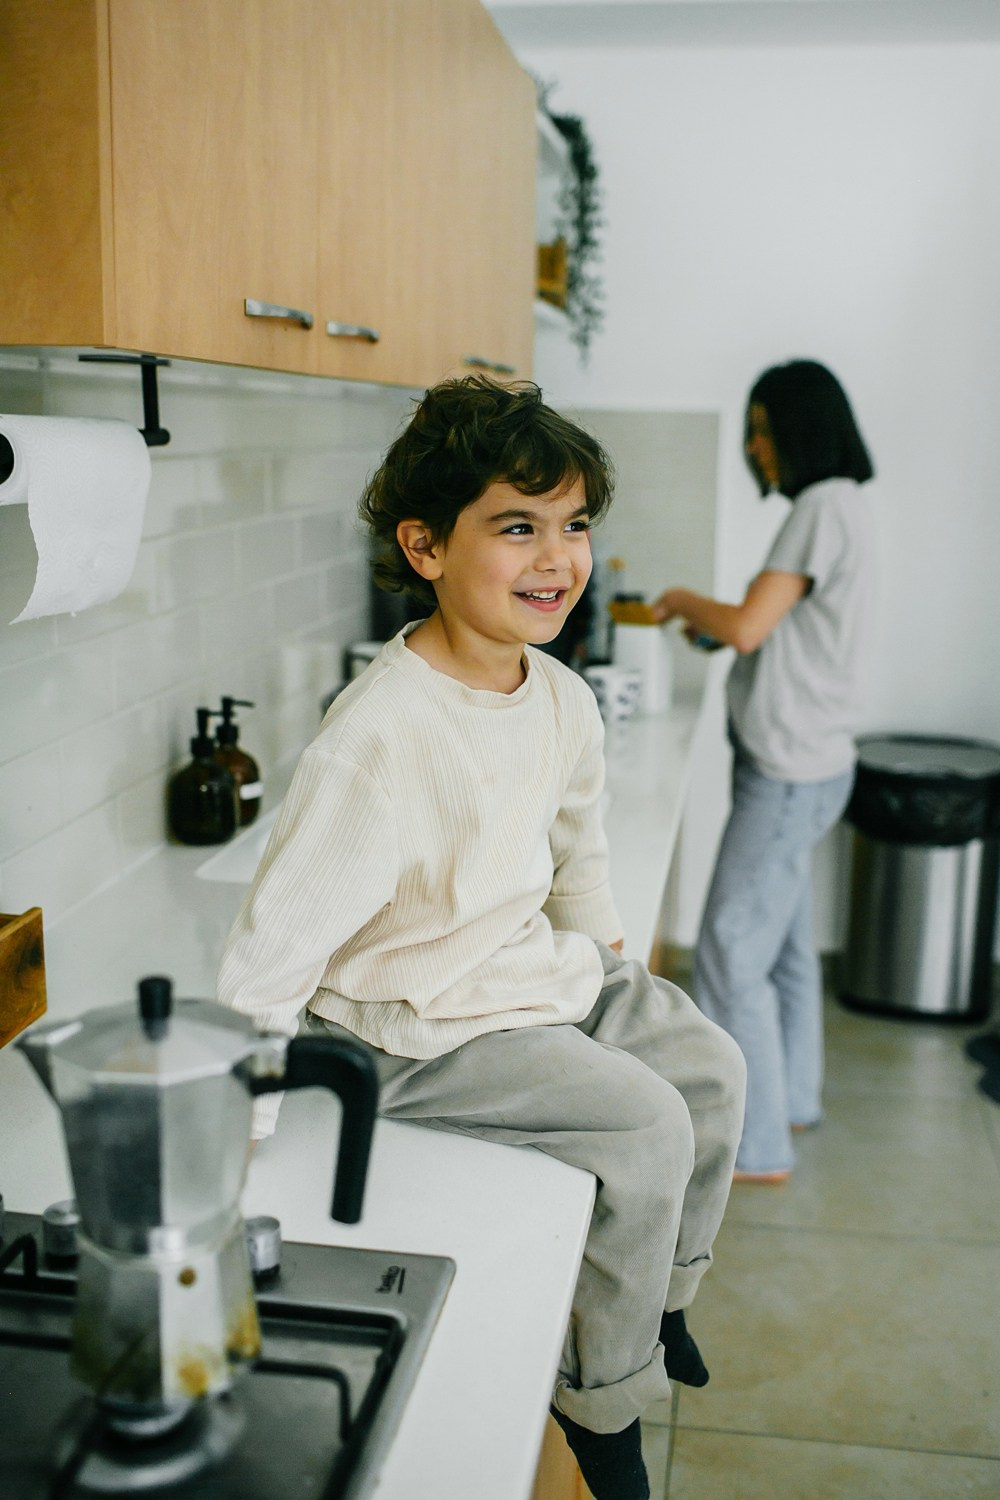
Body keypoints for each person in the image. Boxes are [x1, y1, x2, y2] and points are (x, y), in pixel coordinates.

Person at [217, 376, 745, 1500]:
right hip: (414, 1027)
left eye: (573, 526)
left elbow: (576, 848)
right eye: (516, 527)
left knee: (709, 1066)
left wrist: (608, 964)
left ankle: (662, 1301)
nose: (555, 558)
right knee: (644, 1124)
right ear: (424, 546)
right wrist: (244, 1122)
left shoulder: (557, 695)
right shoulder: (379, 735)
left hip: (524, 970)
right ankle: (602, 1394)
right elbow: (274, 944)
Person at [651, 359, 876, 1184]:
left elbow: (750, 626)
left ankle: (757, 1147)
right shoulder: (843, 508)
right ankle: (794, 1104)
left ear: (799, 429)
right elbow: (780, 629)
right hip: (813, 766)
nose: (755, 446)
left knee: (727, 949)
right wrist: (727, 628)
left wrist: (680, 600)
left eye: (762, 428)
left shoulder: (819, 507)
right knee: (780, 949)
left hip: (785, 774)